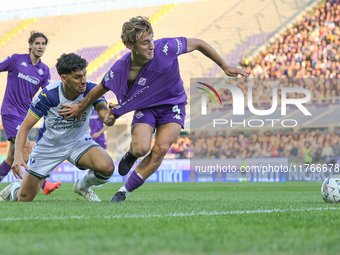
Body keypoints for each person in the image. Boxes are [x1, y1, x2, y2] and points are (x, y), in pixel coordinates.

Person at [59, 16, 249, 203]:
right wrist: (80, 107)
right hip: (146, 107)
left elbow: (199, 44)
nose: (151, 46)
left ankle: (123, 192)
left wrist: (225, 66)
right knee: (141, 148)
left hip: (173, 105)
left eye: (151, 40)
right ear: (129, 45)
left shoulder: (166, 47)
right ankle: (133, 154)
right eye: (144, 43)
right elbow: (98, 90)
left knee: (160, 149)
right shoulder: (120, 69)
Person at [0, 53, 115, 202]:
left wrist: (111, 116)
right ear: (64, 78)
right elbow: (25, 127)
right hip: (49, 146)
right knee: (24, 198)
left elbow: (105, 117)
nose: (84, 81)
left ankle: (82, 186)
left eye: (84, 75)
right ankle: (15, 187)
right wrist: (17, 157)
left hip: (78, 142)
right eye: (78, 77)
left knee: (107, 167)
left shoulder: (92, 89)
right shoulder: (49, 94)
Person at [0, 31, 61, 195]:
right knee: (26, 146)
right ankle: (44, 184)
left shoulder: (44, 70)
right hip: (10, 111)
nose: (40, 46)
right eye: (37, 43)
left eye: (43, 44)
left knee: (12, 156)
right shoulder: (16, 60)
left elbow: (46, 93)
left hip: (25, 114)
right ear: (30, 45)